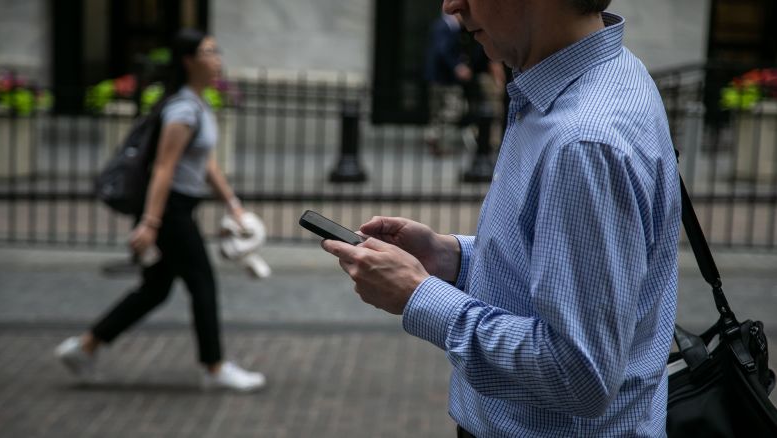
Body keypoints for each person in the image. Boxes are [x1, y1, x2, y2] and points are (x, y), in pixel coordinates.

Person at [322, 0, 681, 436]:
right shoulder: (600, 76)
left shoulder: (583, 140)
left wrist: (419, 295)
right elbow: (548, 264)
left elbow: (580, 374)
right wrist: (449, 257)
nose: (451, 5)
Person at [55, 29, 265, 392]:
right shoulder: (182, 109)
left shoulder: (199, 103)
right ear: (188, 61)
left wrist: (232, 203)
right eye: (209, 52)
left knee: (155, 289)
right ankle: (214, 368)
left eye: (217, 51)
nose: (217, 58)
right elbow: (163, 169)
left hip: (177, 209)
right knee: (202, 283)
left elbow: (206, 163)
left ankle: (84, 347)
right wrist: (151, 222)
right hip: (170, 212)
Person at [424, 11, 474, 155]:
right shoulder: (445, 26)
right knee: (454, 109)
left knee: (439, 112)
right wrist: (457, 67)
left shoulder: (448, 26)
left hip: (441, 78)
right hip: (443, 79)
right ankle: (434, 136)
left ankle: (436, 141)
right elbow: (442, 50)